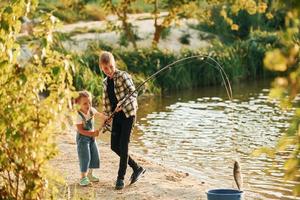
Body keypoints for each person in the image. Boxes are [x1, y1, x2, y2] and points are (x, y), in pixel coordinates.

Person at [99, 51, 146, 190]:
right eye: (105, 68)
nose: (109, 71)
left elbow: (133, 93)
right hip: (117, 116)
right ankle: (137, 168)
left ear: (114, 64)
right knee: (114, 146)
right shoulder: (105, 83)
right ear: (102, 67)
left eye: (111, 67)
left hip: (128, 113)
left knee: (124, 144)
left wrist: (123, 103)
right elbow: (107, 103)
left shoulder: (124, 76)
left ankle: (120, 178)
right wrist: (107, 117)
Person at [74, 90, 104, 186]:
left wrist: (107, 117)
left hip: (91, 138)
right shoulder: (78, 115)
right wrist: (92, 133)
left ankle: (90, 175)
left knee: (94, 155)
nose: (88, 105)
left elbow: (101, 115)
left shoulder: (91, 110)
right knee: (85, 157)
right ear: (78, 105)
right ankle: (83, 177)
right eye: (85, 103)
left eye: (89, 102)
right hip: (82, 139)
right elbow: (81, 130)